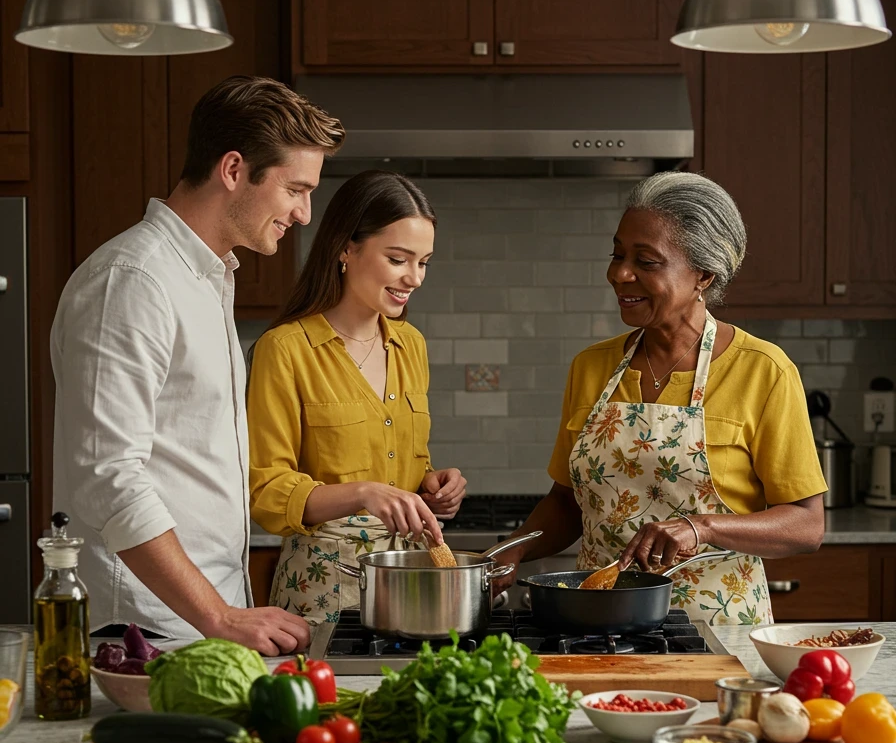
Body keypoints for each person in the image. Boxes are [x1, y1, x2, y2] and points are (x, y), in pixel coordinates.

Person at [51, 75, 344, 654]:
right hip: (144, 632)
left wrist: (225, 614)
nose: (305, 214)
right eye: (295, 189)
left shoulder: (206, 280)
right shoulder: (132, 281)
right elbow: (108, 478)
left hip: (202, 621)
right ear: (234, 170)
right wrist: (218, 615)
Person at [496, 171, 827, 626]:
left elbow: (807, 525)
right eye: (617, 254)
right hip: (597, 622)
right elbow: (566, 503)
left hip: (715, 627)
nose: (619, 273)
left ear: (703, 275)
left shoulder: (762, 370)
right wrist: (511, 550)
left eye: (646, 261)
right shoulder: (591, 367)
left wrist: (702, 526)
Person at [248, 169, 466, 627]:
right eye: (398, 259)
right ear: (346, 248)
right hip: (320, 587)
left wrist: (429, 486)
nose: (414, 277)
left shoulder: (412, 345)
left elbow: (402, 465)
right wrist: (363, 494)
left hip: (406, 582)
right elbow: (266, 491)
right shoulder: (286, 349)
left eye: (424, 262)